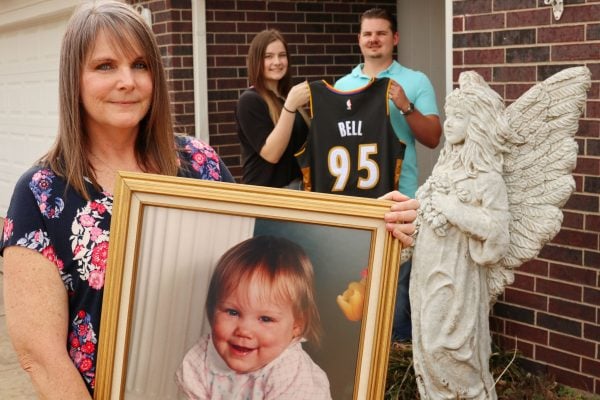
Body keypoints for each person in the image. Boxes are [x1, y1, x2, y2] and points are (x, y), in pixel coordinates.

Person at [0, 2, 417, 398]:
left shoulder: (198, 162)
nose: (127, 81)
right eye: (105, 66)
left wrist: (377, 226)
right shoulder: (40, 193)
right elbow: (41, 358)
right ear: (74, 77)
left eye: (140, 65)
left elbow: (267, 240)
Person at [334, 8, 442, 342]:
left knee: (397, 297)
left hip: (400, 201)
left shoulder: (415, 81)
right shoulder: (342, 86)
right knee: (357, 292)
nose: (373, 39)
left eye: (381, 33)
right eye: (368, 34)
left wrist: (405, 105)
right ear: (359, 40)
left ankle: (395, 368)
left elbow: (433, 137)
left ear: (394, 39)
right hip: (356, 204)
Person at [411, 71, 510, 399]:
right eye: (448, 115)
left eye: (459, 117)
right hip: (425, 273)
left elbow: (496, 232)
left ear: (477, 124)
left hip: (457, 276)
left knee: (448, 349)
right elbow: (423, 216)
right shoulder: (444, 169)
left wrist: (452, 208)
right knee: (426, 349)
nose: (449, 123)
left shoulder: (487, 178)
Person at [176, 235, 331, 400]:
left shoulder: (291, 373)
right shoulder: (204, 359)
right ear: (213, 308)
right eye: (232, 312)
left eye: (265, 319)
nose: (244, 330)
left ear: (296, 325)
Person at [236, 29, 311, 188]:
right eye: (268, 56)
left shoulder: (285, 98)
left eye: (282, 55)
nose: (277, 62)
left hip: (298, 192)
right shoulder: (249, 100)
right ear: (256, 61)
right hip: (267, 199)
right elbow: (271, 154)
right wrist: (290, 106)